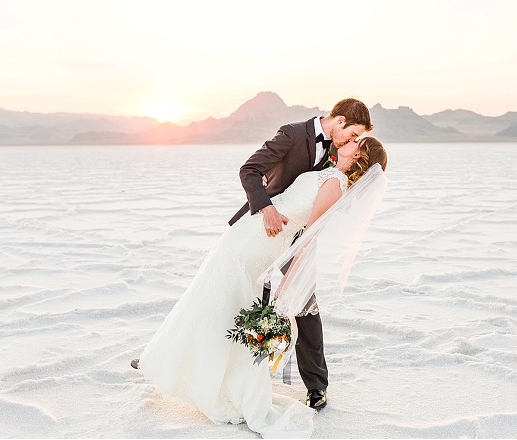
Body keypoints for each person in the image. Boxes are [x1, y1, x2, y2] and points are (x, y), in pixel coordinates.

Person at [133, 135, 387, 438]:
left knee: (223, 300)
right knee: (213, 297)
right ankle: (181, 361)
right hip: (250, 233)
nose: (348, 139)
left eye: (356, 141)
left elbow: (308, 237)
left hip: (260, 244)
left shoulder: (335, 184)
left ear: (359, 156)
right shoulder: (329, 171)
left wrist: (290, 282)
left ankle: (205, 374)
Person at [229, 98, 373, 412]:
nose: (352, 142)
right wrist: (266, 209)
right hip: (265, 228)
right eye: (352, 135)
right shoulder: (293, 134)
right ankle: (178, 354)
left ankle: (316, 387)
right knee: (230, 288)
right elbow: (250, 170)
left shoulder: (341, 150)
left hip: (300, 236)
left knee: (304, 302)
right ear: (339, 121)